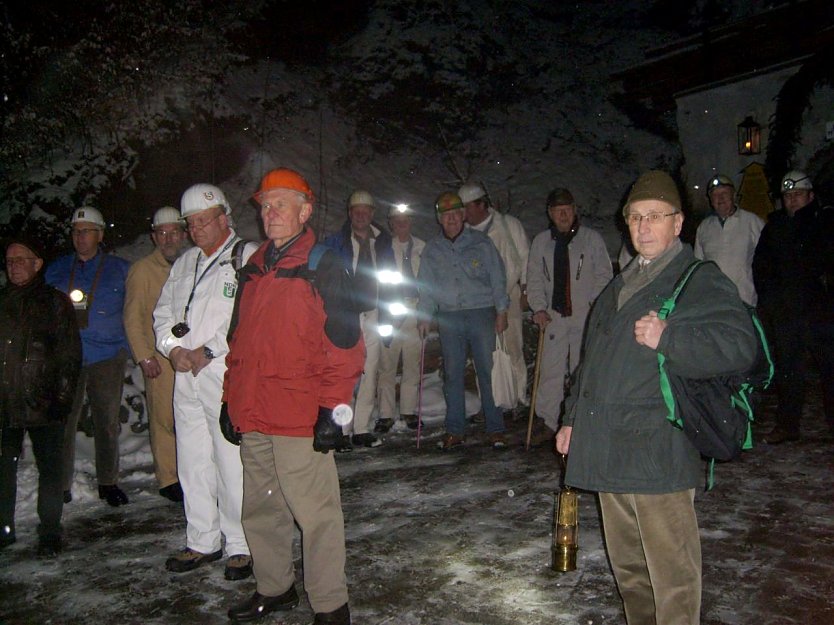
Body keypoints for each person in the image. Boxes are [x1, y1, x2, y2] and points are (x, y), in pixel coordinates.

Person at [556, 170, 758, 625]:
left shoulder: (697, 280)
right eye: (634, 218)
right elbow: (592, 361)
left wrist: (670, 338)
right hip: (610, 447)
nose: (643, 227)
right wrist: (572, 418)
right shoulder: (620, 284)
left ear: (678, 223)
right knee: (630, 574)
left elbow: (739, 347)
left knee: (673, 580)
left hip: (659, 451)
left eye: (654, 217)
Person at [223, 168, 362, 625]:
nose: (271, 212)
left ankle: (329, 605)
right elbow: (238, 342)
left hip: (301, 413)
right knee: (262, 509)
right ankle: (274, 588)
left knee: (316, 514)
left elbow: (345, 344)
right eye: (265, 205)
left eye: (281, 204)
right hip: (255, 410)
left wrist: (334, 410)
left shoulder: (325, 263)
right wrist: (230, 400)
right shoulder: (253, 267)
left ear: (304, 211)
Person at [154, 184, 256, 580]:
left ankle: (241, 544)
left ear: (223, 218)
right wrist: (172, 348)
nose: (196, 229)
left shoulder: (244, 256)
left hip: (225, 372)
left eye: (203, 221)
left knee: (230, 459)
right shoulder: (186, 263)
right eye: (191, 223)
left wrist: (209, 351)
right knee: (192, 458)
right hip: (186, 375)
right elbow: (163, 314)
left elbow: (247, 316)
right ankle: (202, 538)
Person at [45, 207, 131, 507]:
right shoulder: (55, 270)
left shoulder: (120, 269)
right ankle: (61, 483)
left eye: (86, 231)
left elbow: (134, 312)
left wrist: (131, 350)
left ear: (100, 235)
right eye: (75, 231)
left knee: (106, 421)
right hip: (67, 356)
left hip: (106, 355)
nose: (80, 237)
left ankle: (108, 482)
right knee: (64, 422)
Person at [0, 237, 81, 557]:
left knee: (50, 470)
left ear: (37, 264)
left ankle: (49, 531)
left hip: (43, 403)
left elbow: (69, 355)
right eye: (9, 261)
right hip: (5, 403)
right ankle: (4, 528)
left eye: (22, 260)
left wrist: (62, 399)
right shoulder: (1, 301)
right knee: (4, 468)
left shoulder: (54, 302)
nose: (15, 266)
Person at [417, 192, 510, 450]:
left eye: (456, 215)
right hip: (449, 316)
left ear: (463, 216)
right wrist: (424, 315)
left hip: (481, 312)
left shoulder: (482, 243)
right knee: (453, 374)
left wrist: (501, 311)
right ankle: (455, 429)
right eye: (446, 216)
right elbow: (425, 285)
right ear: (440, 219)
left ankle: (495, 428)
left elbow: (497, 277)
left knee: (487, 372)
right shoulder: (432, 249)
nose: (452, 220)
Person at [753, 170, 834, 444]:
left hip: (819, 310)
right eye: (787, 196)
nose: (792, 201)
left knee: (830, 367)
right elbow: (761, 265)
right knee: (788, 369)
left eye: (798, 195)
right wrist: (770, 300)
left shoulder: (823, 222)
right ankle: (787, 424)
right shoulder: (775, 225)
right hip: (786, 311)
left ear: (810, 195)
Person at [526, 188, 611, 444]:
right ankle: (548, 421)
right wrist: (538, 308)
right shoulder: (541, 242)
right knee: (550, 370)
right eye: (557, 211)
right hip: (553, 315)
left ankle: (581, 421)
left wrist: (596, 305)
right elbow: (534, 278)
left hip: (584, 314)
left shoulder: (591, 240)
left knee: (581, 369)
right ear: (550, 214)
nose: (563, 215)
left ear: (574, 210)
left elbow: (604, 275)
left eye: (567, 209)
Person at [124, 207, 188, 503]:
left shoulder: (191, 264)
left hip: (188, 357)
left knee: (189, 418)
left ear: (183, 234)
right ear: (154, 237)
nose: (168, 238)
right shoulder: (143, 270)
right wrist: (143, 355)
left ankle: (191, 473)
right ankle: (169, 478)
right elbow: (133, 316)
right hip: (159, 360)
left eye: (174, 232)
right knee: (164, 421)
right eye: (162, 233)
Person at [323, 190, 397, 449]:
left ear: (373, 214)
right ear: (350, 213)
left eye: (366, 211)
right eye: (357, 210)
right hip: (347, 315)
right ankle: (341, 430)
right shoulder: (337, 242)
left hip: (375, 312)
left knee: (370, 371)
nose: (362, 215)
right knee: (346, 373)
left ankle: (361, 428)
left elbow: (391, 280)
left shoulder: (383, 242)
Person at [459, 182, 530, 410]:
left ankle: (518, 397)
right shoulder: (464, 233)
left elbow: (526, 257)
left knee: (513, 349)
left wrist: (526, 289)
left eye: (467, 207)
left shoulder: (508, 225)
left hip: (509, 295)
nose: (464, 213)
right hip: (479, 302)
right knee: (484, 353)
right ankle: (489, 401)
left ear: (481, 204)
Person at [375, 203, 425, 433]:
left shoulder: (422, 248)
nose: (401, 224)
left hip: (415, 308)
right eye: (396, 220)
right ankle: (385, 414)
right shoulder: (383, 248)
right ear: (391, 224)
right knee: (387, 364)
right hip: (390, 308)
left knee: (412, 363)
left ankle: (408, 410)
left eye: (405, 220)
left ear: (411, 222)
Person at [694, 174, 764, 306]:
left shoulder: (752, 222)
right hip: (714, 302)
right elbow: (699, 267)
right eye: (715, 194)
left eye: (724, 193)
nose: (720, 198)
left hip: (745, 300)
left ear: (733, 195)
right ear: (710, 200)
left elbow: (767, 261)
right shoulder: (704, 228)